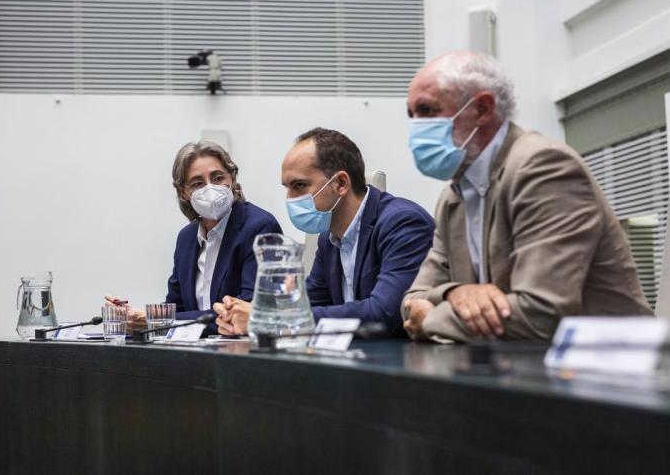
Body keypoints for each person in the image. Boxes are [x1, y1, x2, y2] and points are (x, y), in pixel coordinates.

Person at [401, 51, 653, 343]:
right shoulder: (453, 196)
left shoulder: (543, 167)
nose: (416, 126)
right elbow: (411, 302)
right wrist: (454, 292)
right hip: (519, 363)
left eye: (427, 110)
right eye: (411, 115)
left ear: (482, 109)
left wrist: (431, 319)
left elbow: (542, 313)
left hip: (610, 361)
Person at [214, 128, 435, 337]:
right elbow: (313, 300)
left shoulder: (403, 223)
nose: (289, 199)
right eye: (287, 187)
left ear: (341, 183)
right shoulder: (328, 237)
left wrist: (269, 319)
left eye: (299, 185)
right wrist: (248, 310)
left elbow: (383, 313)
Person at [105, 141, 282, 332]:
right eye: (198, 183)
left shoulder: (259, 227)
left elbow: (244, 312)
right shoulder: (186, 238)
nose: (210, 188)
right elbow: (177, 309)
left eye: (217, 178)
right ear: (184, 193)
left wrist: (155, 319)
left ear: (232, 178)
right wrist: (134, 317)